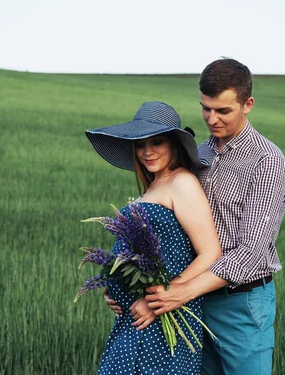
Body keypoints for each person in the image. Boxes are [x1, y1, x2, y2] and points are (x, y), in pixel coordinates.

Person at [144, 58, 285, 375]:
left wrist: (183, 291)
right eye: (205, 108)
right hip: (193, 300)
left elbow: (251, 253)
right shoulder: (199, 152)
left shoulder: (266, 162)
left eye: (223, 111)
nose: (212, 119)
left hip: (241, 303)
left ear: (248, 104)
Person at [85, 101, 222, 375]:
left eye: (156, 142)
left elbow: (210, 253)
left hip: (164, 314)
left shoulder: (182, 182)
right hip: (136, 318)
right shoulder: (151, 189)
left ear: (174, 144)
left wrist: (159, 299)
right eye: (140, 143)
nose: (147, 151)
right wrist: (114, 287)